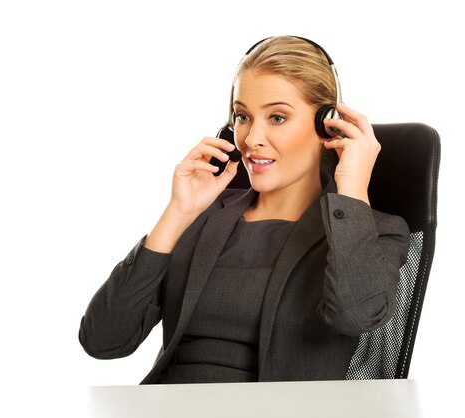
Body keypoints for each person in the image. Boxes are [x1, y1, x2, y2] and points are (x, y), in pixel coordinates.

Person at [78, 35, 410, 384]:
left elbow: (355, 316)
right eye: (243, 116)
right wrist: (177, 214)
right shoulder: (202, 217)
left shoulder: (373, 233)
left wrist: (353, 190)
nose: (251, 139)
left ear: (326, 123)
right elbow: (103, 340)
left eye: (277, 118)